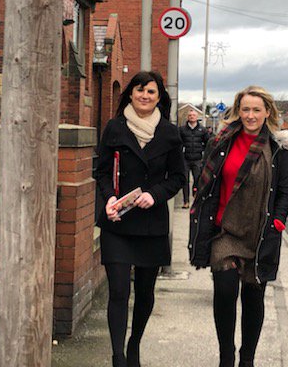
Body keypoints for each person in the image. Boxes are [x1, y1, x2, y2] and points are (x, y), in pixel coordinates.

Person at [188, 86, 288, 367]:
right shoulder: (221, 142)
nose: (250, 115)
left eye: (256, 110)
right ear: (238, 111)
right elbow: (206, 182)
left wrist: (278, 221)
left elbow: (286, 191)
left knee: (253, 297)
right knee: (224, 291)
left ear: (267, 112)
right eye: (245, 109)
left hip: (259, 234)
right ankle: (226, 356)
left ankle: (246, 359)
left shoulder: (278, 149)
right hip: (225, 231)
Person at [95, 71, 186, 367]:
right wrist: (109, 196)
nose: (144, 96)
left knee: (145, 292)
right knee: (119, 290)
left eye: (151, 92)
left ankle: (134, 344)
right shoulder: (114, 128)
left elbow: (178, 178)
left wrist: (156, 195)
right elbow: (103, 171)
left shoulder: (170, 133)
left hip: (152, 224)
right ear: (130, 94)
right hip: (118, 222)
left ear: (160, 97)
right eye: (139, 90)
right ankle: (118, 357)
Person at [179, 108, 210, 208]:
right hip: (185, 159)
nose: (192, 117)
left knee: (198, 179)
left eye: (193, 115)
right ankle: (186, 201)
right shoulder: (182, 129)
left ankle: (196, 196)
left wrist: (204, 155)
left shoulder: (203, 130)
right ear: (188, 117)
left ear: (197, 117)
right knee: (185, 180)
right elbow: (178, 143)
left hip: (197, 159)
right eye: (190, 115)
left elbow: (208, 143)